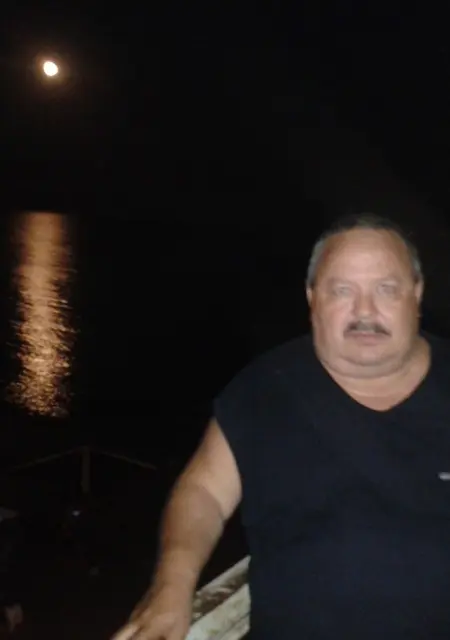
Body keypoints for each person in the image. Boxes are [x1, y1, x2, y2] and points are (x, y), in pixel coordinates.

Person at [112, 213, 450, 639]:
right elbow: (204, 492)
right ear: (312, 298)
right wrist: (171, 588)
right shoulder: (264, 389)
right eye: (342, 290)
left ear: (416, 294)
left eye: (386, 288)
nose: (365, 311)